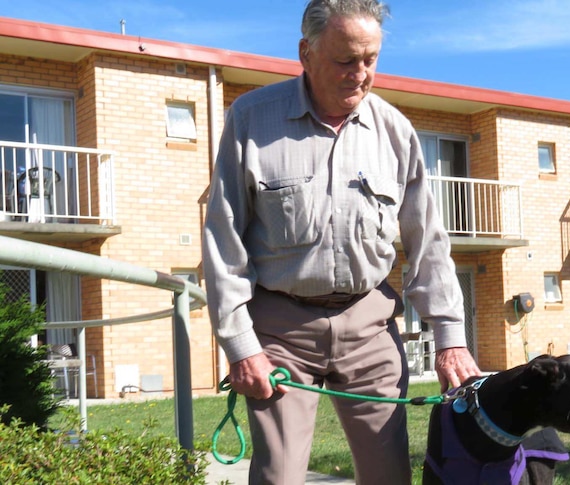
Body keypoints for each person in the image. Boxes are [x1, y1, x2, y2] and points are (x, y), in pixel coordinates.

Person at [202, 0, 481, 483]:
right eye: (345, 60)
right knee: (278, 476)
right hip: (280, 332)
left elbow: (427, 243)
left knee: (390, 476)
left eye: (370, 59)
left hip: (370, 327)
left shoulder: (395, 131)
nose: (361, 73)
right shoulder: (251, 119)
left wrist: (449, 339)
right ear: (305, 53)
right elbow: (223, 242)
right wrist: (241, 346)